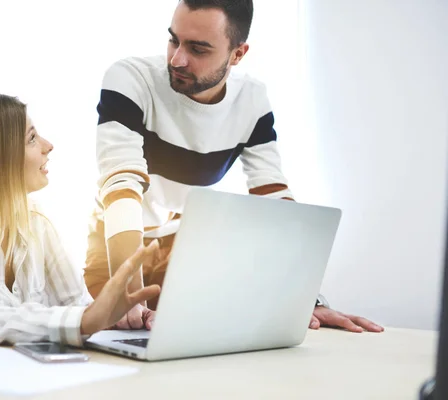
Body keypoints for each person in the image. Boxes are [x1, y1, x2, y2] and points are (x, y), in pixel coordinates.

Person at [83, 0, 384, 333]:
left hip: (182, 257)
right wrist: (127, 292)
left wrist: (306, 300)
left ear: (238, 54)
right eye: (174, 40)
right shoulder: (130, 78)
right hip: (116, 254)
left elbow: (274, 199)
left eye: (198, 49)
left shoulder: (251, 101)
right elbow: (121, 186)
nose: (177, 59)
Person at [0, 94, 160, 346]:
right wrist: (80, 320)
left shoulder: (37, 221)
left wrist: (117, 318)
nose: (48, 145)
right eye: (32, 138)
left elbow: (77, 307)